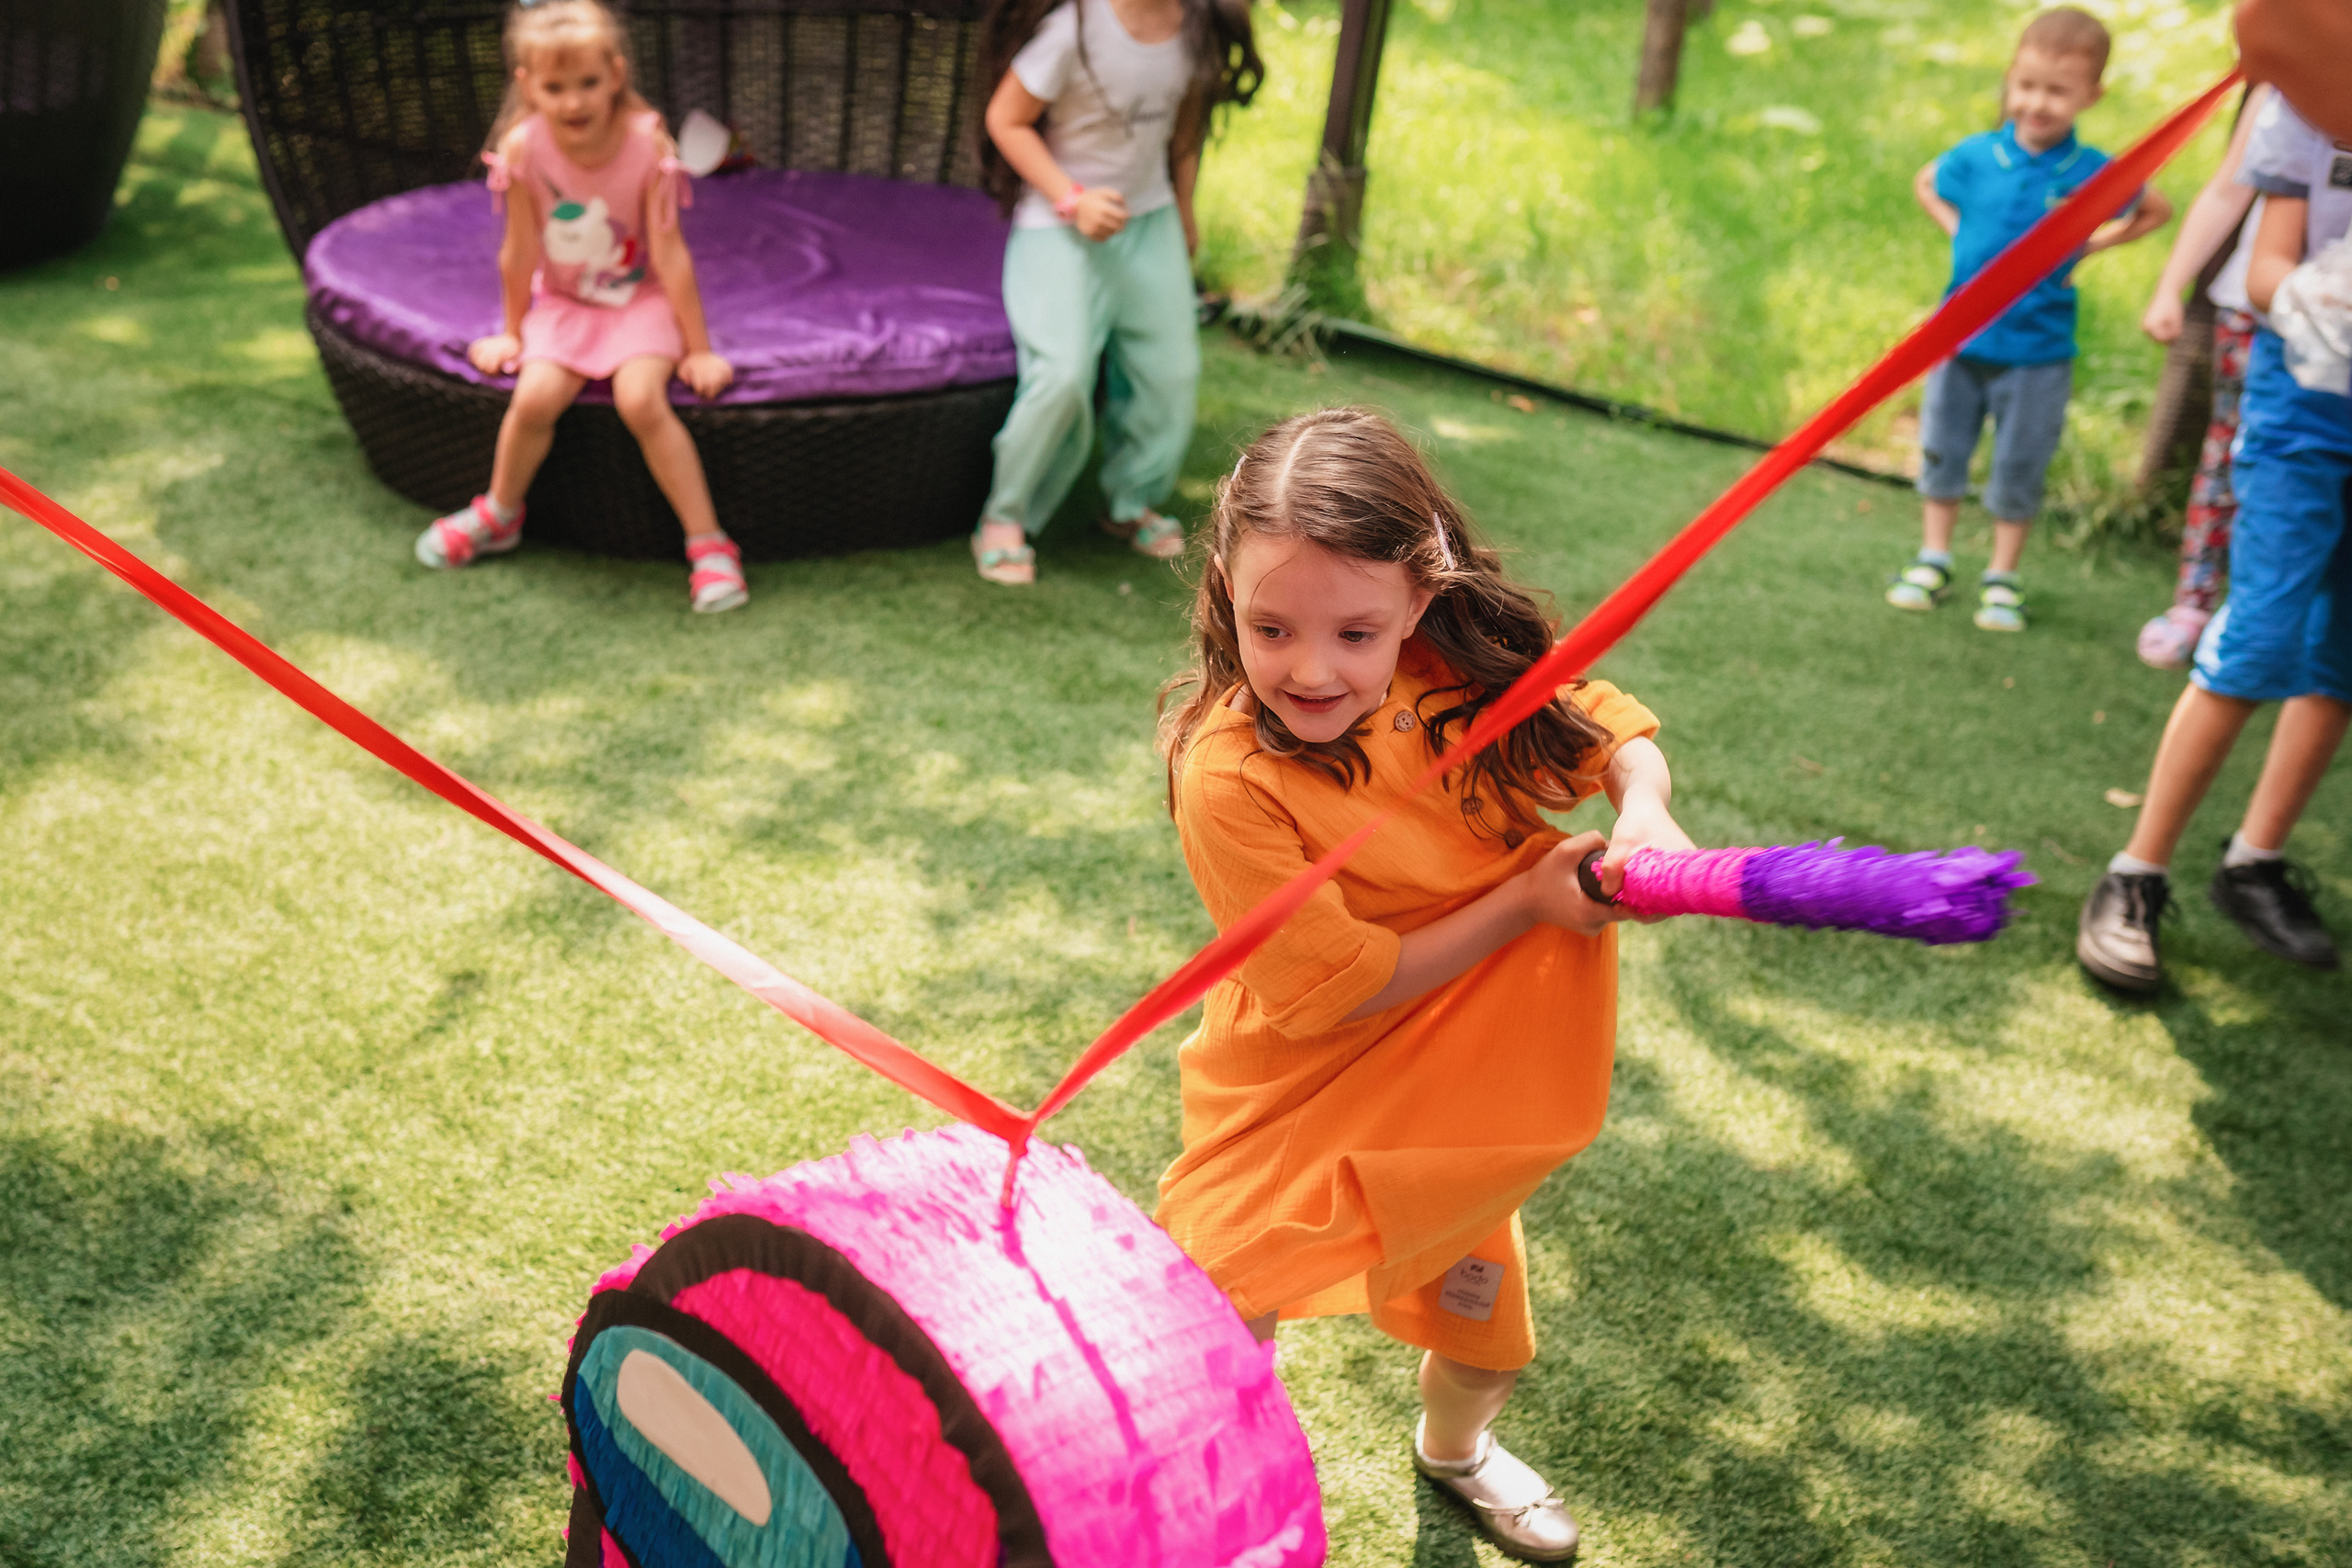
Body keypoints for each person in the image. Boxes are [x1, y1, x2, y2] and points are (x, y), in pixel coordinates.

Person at [1153, 408, 1692, 1562]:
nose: (1312, 668)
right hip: (1302, 1072)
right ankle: (1223, 1501)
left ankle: (1454, 1455)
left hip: (1464, 1063)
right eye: (1272, 626)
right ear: (1224, 596)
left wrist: (1641, 805)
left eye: (1357, 631)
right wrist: (1525, 901)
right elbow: (1336, 990)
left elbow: (1600, 726)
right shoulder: (1228, 776)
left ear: (1420, 600)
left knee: (1481, 1331)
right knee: (1226, 1288)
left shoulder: (1455, 672)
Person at [2078, 90, 2350, 992]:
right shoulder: (2314, 94)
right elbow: (2268, 265)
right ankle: (2134, 875)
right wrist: (2329, 293)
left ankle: (2253, 862)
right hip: (2304, 404)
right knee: (2261, 634)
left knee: (2342, 650)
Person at [413, 0, 748, 615]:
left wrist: (699, 349)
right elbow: (518, 251)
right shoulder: (522, 149)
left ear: (615, 75)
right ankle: (500, 511)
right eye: (555, 87)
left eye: (588, 84)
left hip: (638, 302)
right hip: (565, 304)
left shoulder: (646, 143)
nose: (574, 103)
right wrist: (512, 332)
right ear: (527, 86)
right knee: (535, 396)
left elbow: (670, 255)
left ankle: (709, 544)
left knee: (641, 399)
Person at [1887, 6, 2172, 633]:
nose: (2038, 103)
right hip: (1960, 340)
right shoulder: (1978, 155)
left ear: (2091, 95)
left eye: (2057, 91)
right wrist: (1958, 230)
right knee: (1943, 448)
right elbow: (1926, 181)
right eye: (2027, 86)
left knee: (2020, 462)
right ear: (2011, 80)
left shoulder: (2092, 172)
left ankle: (2002, 574)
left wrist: (2093, 245)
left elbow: (2156, 208)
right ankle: (1934, 558)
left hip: (2039, 351)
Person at [967, 0, 1260, 584]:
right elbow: (1006, 118)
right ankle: (1005, 516)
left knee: (1170, 372)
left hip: (1147, 222)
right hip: (1058, 226)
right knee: (1062, 376)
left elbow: (1185, 127)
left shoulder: (1196, 26)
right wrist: (1072, 198)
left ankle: (1130, 503)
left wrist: (1182, 208)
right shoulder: (1071, 29)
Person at [2135, 85, 2272, 670]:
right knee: (2230, 453)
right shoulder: (2289, 86)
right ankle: (2196, 603)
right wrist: (2171, 286)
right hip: (2255, 309)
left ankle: (2276, 612)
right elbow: (2227, 188)